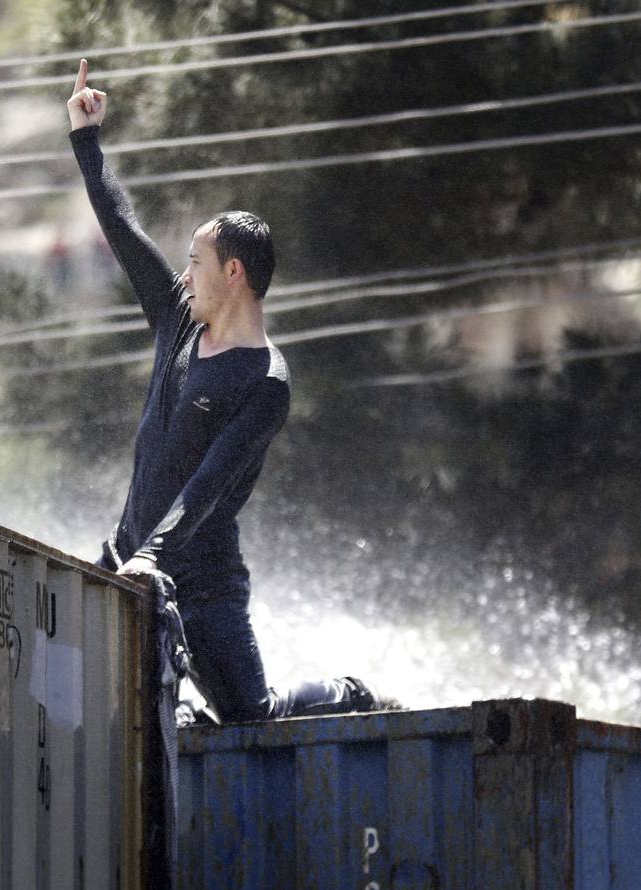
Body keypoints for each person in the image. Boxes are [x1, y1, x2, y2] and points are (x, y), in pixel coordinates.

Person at [67, 60, 394, 723]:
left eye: (195, 261)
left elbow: (207, 486)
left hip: (202, 578)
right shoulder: (176, 322)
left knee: (251, 715)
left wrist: (154, 556)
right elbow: (123, 228)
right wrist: (86, 138)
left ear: (234, 272)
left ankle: (348, 695)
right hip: (130, 558)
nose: (184, 274)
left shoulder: (264, 381)